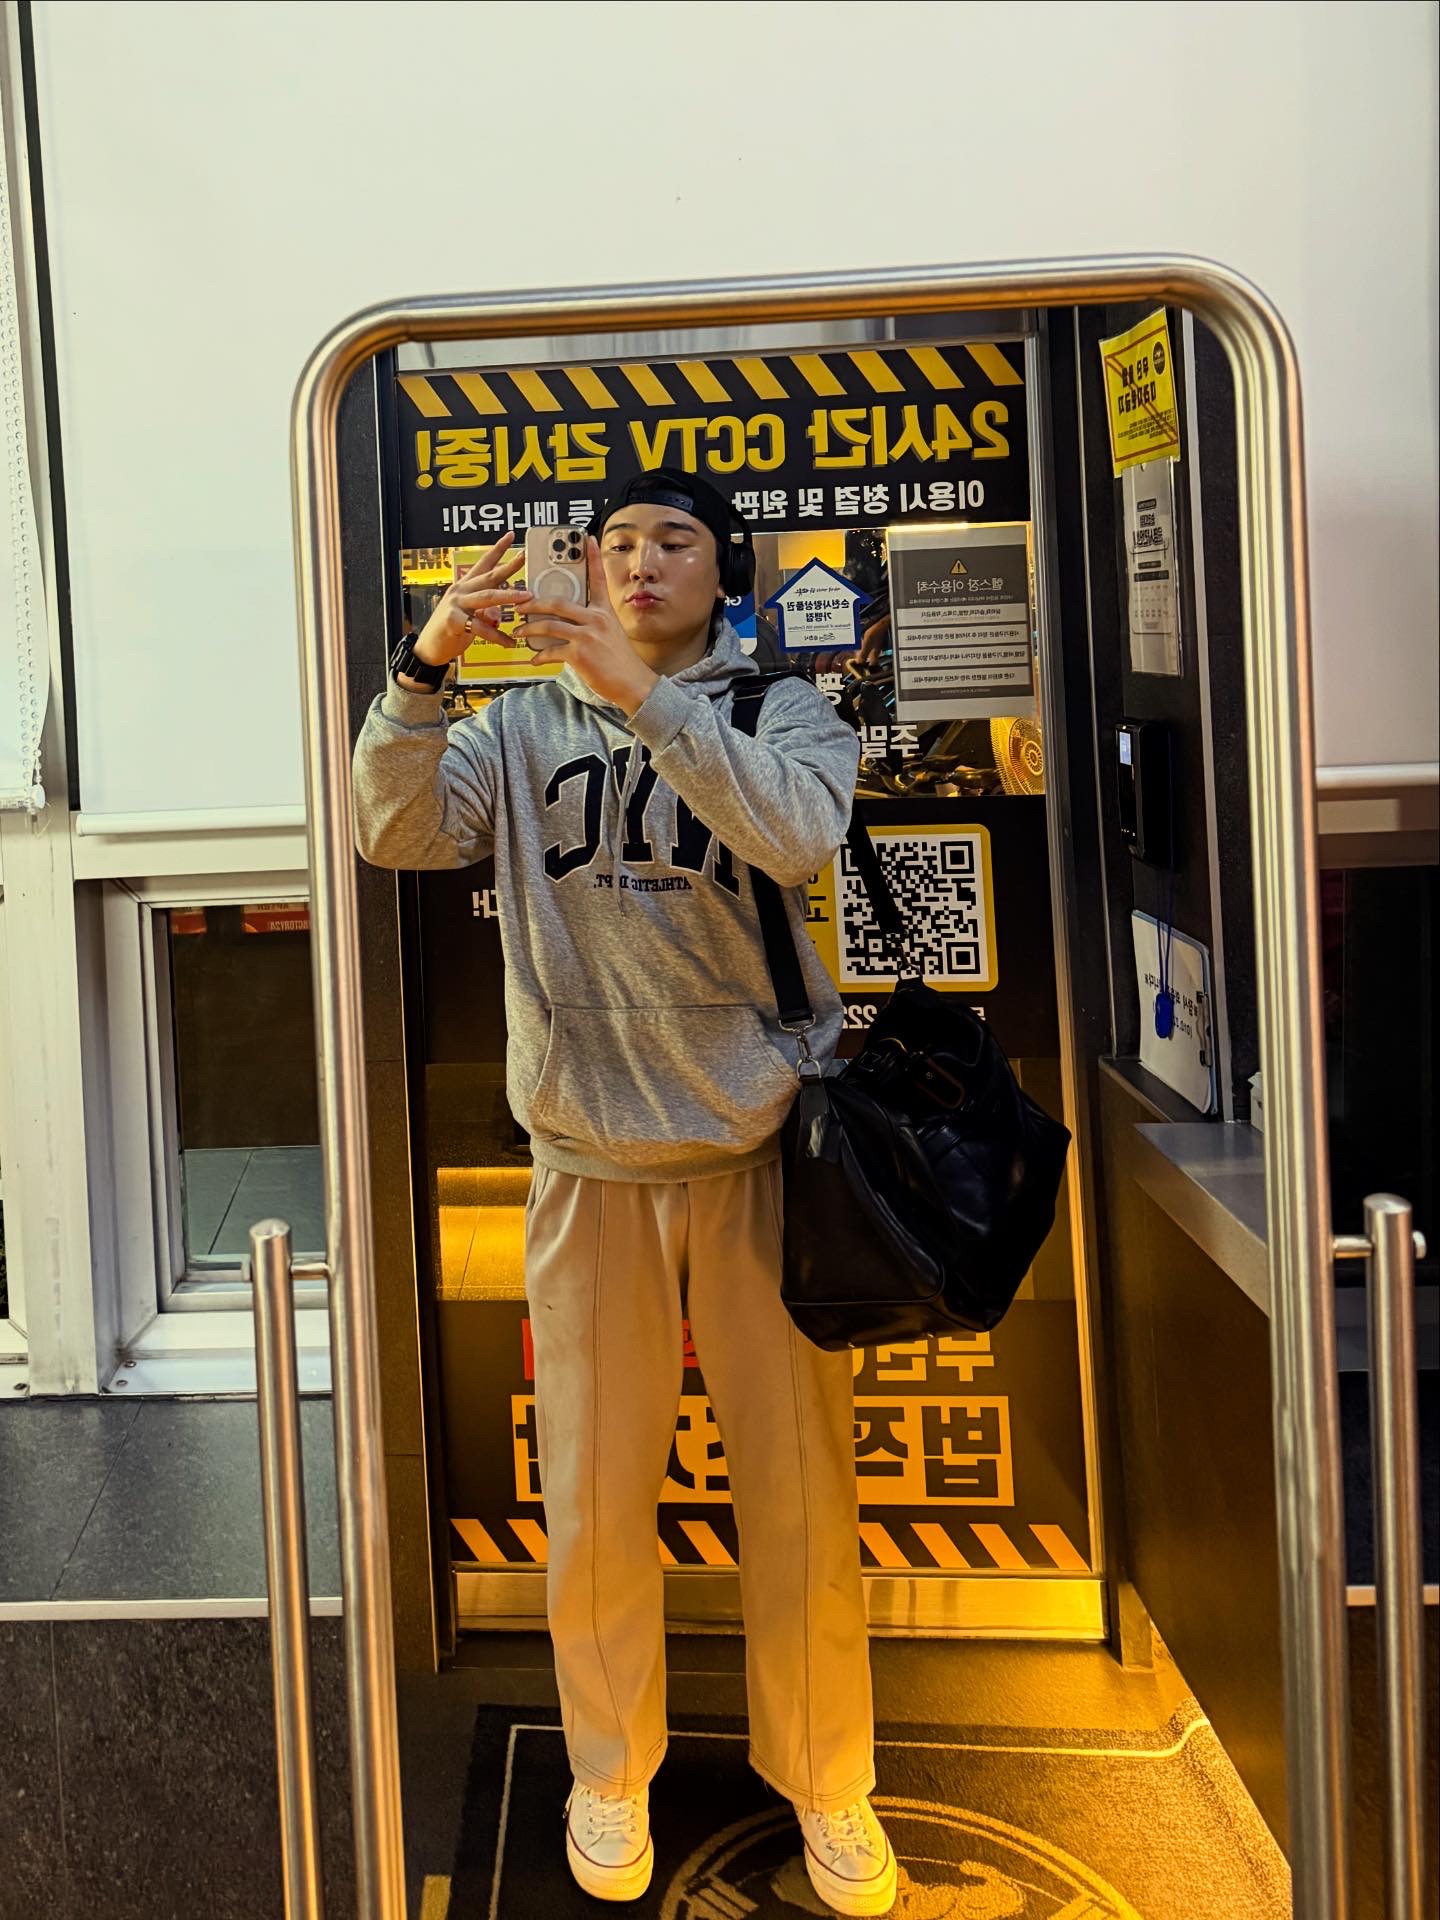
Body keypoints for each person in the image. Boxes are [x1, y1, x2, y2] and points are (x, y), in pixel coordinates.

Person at [351, 469, 897, 1917]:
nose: (640, 563)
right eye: (615, 544)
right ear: (583, 568)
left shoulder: (785, 708)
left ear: (727, 572)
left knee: (798, 1493)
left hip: (762, 1155)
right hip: (587, 1160)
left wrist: (647, 701)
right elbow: (394, 831)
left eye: (675, 541)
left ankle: (828, 1776)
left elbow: (798, 835)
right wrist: (426, 666)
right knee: (593, 1496)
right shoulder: (518, 725)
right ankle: (608, 1767)